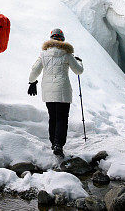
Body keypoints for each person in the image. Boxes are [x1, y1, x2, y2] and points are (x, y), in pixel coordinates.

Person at [27, 28, 84, 156]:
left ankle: (53, 143)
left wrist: (32, 82)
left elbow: (34, 70)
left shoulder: (43, 54)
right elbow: (78, 71)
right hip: (63, 91)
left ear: (51, 39)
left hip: (48, 91)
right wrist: (79, 61)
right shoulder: (67, 54)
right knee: (62, 119)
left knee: (53, 118)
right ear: (62, 40)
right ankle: (59, 144)